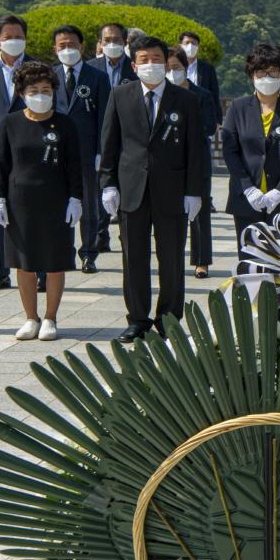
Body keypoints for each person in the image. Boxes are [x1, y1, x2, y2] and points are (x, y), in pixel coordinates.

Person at [99, 35, 207, 343]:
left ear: (166, 61)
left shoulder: (185, 99)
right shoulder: (120, 95)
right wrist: (108, 184)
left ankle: (169, 318)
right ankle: (138, 319)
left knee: (171, 258)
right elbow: (110, 144)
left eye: (157, 59)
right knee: (133, 258)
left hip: (172, 190)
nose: (151, 65)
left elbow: (195, 149)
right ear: (134, 65)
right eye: (144, 60)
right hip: (131, 189)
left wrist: (195, 191)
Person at [0, 61, 82, 341]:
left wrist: (76, 198)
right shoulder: (10, 123)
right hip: (20, 201)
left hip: (56, 200)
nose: (40, 95)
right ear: (21, 93)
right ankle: (31, 317)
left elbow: (74, 165)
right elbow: (1, 165)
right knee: (24, 262)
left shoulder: (65, 123)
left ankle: (51, 318)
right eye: (34, 90)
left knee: (54, 262)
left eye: (45, 89)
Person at [221, 43, 280, 260]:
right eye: (261, 72)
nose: (267, 77)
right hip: (246, 200)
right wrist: (248, 188)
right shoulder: (238, 107)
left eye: (273, 72)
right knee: (251, 260)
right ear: (252, 74)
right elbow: (230, 151)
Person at [52, 24, 110, 275]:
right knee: (59, 205)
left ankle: (88, 253)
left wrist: (101, 151)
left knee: (89, 204)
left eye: (72, 44)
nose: (67, 49)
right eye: (62, 45)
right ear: (55, 49)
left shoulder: (97, 76)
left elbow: (105, 118)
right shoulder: (50, 76)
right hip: (55, 152)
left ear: (82, 46)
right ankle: (63, 253)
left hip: (87, 153)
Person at [0, 14, 30, 290]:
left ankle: (35, 270)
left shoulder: (38, 67)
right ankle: (0, 270)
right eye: (8, 37)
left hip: (30, 152)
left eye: (19, 37)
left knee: (32, 211)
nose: (14, 42)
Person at [165, 49, 218, 278]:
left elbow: (209, 126)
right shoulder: (162, 95)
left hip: (197, 160)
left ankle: (201, 260)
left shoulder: (201, 95)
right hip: (169, 163)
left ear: (186, 68)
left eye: (176, 68)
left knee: (200, 212)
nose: (171, 72)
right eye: (167, 68)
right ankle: (171, 258)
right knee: (171, 214)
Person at [88, 22, 136, 88]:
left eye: (116, 40)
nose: (112, 44)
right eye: (107, 40)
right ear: (100, 43)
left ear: (125, 42)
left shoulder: (136, 67)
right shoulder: (89, 67)